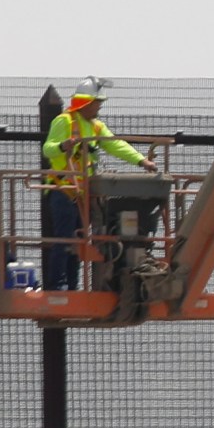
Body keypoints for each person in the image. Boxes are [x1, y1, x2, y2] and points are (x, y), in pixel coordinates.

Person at [41, 77, 156, 291]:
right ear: (86, 102)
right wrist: (63, 146)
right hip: (64, 190)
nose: (100, 106)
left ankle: (72, 286)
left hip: (83, 194)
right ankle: (57, 285)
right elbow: (48, 148)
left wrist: (142, 161)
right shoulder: (64, 121)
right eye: (97, 102)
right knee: (65, 240)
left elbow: (116, 145)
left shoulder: (96, 126)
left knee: (79, 241)